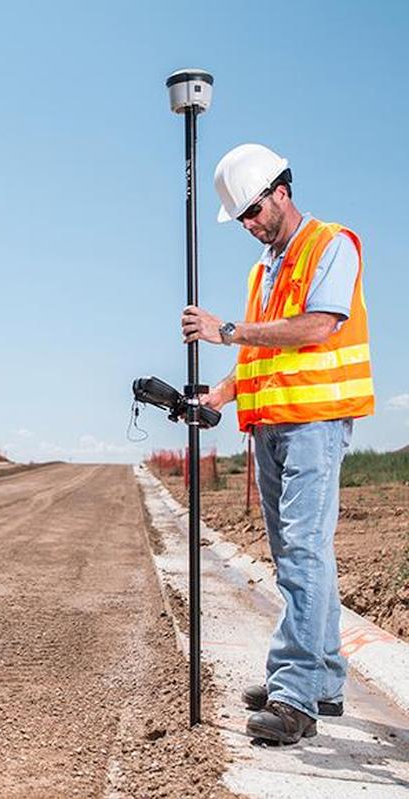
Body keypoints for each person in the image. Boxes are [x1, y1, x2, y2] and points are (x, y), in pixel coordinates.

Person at [180, 143, 374, 744]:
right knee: (301, 554)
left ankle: (294, 697)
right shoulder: (263, 267)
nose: (248, 225)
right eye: (239, 218)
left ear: (280, 193)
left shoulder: (330, 245)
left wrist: (226, 330)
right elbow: (263, 351)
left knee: (303, 555)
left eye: (252, 212)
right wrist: (220, 393)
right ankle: (323, 680)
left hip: (314, 424)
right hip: (268, 426)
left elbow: (320, 325)